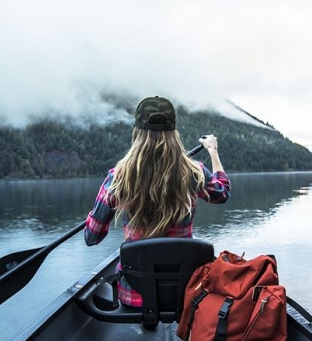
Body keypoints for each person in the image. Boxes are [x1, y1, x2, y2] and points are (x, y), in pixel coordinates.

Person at [84, 96, 230, 307]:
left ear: (137, 132)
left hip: (134, 295)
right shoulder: (193, 172)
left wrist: (101, 209)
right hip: (186, 294)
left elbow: (91, 237)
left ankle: (149, 318)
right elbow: (222, 193)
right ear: (174, 133)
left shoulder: (118, 177)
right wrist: (213, 152)